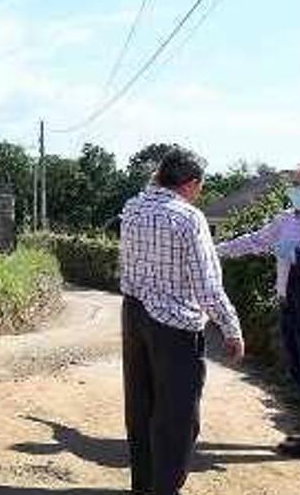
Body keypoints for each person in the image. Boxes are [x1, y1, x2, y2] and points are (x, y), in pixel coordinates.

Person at [119, 148, 245, 495]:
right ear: (190, 184)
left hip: (134, 314)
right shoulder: (189, 219)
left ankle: (143, 486)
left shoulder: (132, 208)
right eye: (200, 186)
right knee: (177, 417)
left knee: (141, 407)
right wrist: (232, 329)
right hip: (174, 326)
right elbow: (208, 287)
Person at [216, 165, 300, 460]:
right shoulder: (285, 219)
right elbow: (255, 240)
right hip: (289, 304)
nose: (297, 189)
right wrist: (214, 250)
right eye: (295, 183)